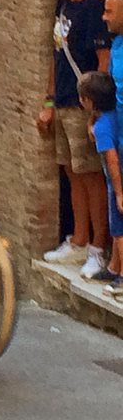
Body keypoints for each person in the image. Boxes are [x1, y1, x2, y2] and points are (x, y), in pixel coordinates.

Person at [39, 0, 111, 277]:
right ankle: (79, 239)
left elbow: (102, 62)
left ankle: (98, 246)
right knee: (71, 171)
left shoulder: (94, 9)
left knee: (92, 176)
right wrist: (50, 102)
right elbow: (56, 54)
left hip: (85, 105)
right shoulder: (62, 4)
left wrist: (97, 111)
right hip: (65, 101)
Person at [75, 72, 123, 293]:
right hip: (116, 181)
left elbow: (111, 159)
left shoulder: (102, 128)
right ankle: (114, 268)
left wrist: (119, 193)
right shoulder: (112, 115)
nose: (80, 101)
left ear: (89, 102)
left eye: (82, 98)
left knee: (118, 229)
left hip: (117, 182)